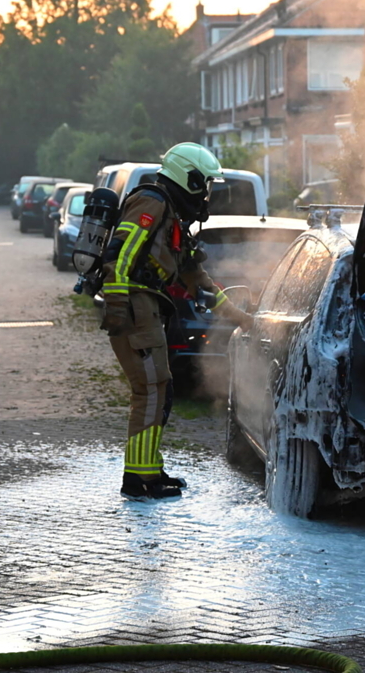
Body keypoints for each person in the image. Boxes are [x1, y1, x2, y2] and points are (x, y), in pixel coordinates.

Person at [101, 142, 253, 500]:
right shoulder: (152, 204)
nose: (208, 193)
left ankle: (148, 470)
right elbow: (119, 256)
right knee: (151, 390)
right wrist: (119, 310)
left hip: (146, 306)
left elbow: (195, 277)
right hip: (136, 306)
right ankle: (138, 480)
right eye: (206, 183)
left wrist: (239, 317)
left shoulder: (169, 212)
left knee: (160, 389)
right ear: (190, 178)